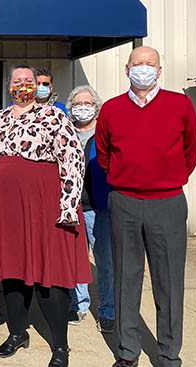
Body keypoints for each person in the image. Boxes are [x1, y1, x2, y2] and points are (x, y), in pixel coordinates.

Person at [0, 64, 90, 367]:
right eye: (17, 81)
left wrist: (68, 204)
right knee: (12, 272)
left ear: (38, 86)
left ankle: (60, 346)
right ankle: (17, 333)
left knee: (50, 275)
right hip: (4, 207)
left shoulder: (55, 116)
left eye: (28, 81)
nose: (23, 85)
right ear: (9, 85)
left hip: (43, 204)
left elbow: (72, 159)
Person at [95, 46, 196, 367]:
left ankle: (169, 354)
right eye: (137, 64)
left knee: (168, 281)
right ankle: (128, 351)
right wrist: (126, 178)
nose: (143, 68)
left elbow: (190, 150)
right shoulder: (112, 109)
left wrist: (167, 177)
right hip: (124, 201)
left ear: (159, 70)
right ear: (127, 70)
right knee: (126, 278)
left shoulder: (179, 104)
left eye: (149, 64)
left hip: (167, 203)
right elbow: (103, 154)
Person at [65, 86, 115, 333]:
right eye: (77, 103)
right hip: (72, 207)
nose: (82, 107)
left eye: (87, 103)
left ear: (96, 107)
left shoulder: (106, 133)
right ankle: (78, 303)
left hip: (99, 207)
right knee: (76, 260)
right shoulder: (65, 134)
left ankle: (108, 310)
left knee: (105, 260)